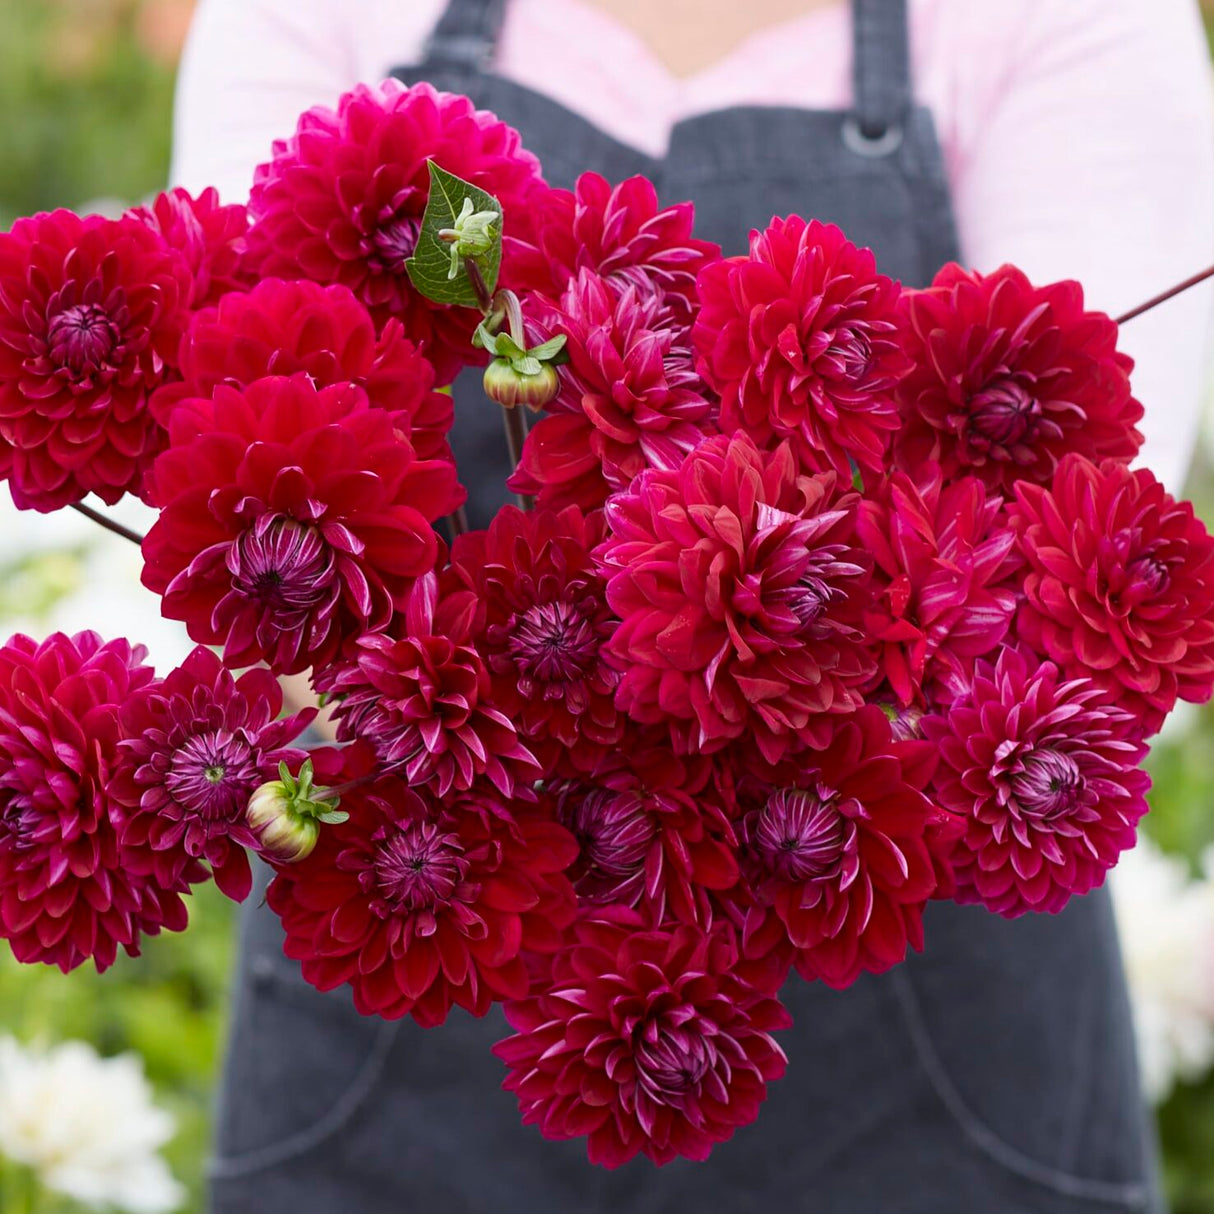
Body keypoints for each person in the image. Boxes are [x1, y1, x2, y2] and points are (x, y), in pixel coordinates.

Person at [170, 1, 1214, 1210]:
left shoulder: (1070, 19)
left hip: (929, 1045)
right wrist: (480, 708)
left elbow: (1063, 545)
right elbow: (235, 413)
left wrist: (725, 660)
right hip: (412, 966)